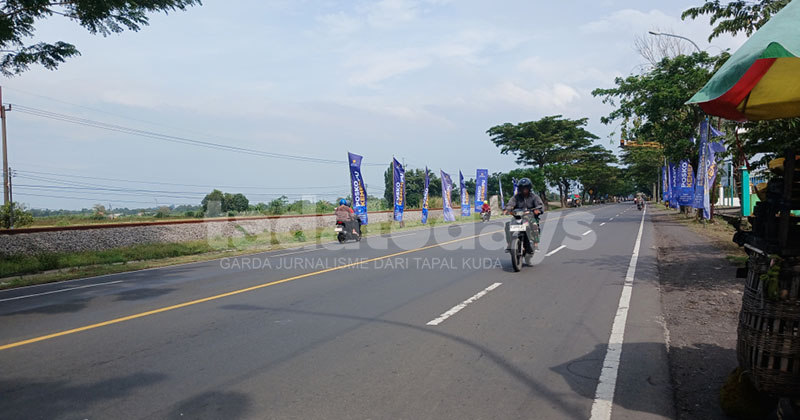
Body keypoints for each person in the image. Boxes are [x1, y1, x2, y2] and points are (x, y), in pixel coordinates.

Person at [503, 178, 544, 262]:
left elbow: (540, 205)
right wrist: (507, 209)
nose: (524, 190)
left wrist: (538, 210)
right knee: (508, 225)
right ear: (520, 188)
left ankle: (535, 244)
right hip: (518, 217)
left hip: (530, 216)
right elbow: (510, 204)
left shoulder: (534, 197)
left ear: (529, 188)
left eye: (526, 188)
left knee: (534, 224)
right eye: (522, 188)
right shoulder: (516, 197)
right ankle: (509, 244)